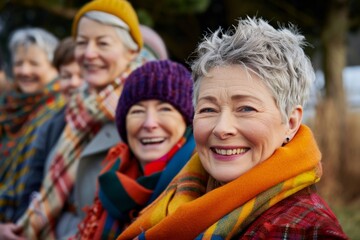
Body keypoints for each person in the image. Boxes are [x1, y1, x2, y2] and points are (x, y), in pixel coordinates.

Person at [118, 17, 349, 239]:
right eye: (208, 109)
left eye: (246, 109)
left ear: (290, 123)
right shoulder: (179, 202)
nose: (222, 128)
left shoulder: (306, 229)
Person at [3, 0, 153, 239]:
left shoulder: (147, 115)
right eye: (82, 43)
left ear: (132, 50)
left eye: (102, 43)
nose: (89, 53)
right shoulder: (74, 111)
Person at [73, 59, 195, 239]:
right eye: (137, 111)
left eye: (165, 109)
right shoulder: (112, 178)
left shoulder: (201, 185)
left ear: (187, 122)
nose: (150, 123)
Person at [0, 27, 64, 223]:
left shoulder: (61, 110)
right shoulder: (8, 107)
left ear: (55, 68)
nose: (24, 71)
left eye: (34, 63)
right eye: (19, 63)